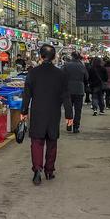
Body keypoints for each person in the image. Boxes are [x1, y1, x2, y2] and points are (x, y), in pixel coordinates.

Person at [21, 45, 72, 185]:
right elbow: (66, 96)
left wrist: (23, 111)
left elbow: (27, 94)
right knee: (52, 142)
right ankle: (49, 171)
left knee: (36, 142)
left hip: (37, 112)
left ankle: (37, 170)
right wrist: (69, 115)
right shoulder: (61, 74)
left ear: (40, 56)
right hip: (54, 113)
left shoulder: (33, 73)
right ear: (55, 57)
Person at [63, 51, 88, 134]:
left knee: (68, 108)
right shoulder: (82, 66)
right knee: (78, 110)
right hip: (79, 90)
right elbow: (86, 78)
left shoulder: (66, 65)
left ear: (72, 56)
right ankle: (76, 127)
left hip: (68, 89)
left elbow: (60, 75)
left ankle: (69, 125)